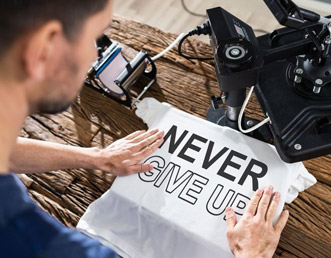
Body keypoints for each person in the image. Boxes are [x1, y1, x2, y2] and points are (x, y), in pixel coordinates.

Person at [0, 0, 288, 257]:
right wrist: (252, 254)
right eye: (93, 37)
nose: (93, 55)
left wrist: (92, 157)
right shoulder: (43, 245)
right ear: (44, 48)